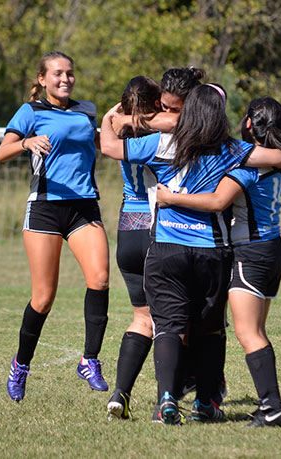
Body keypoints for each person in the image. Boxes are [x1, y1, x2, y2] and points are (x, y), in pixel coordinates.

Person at [100, 84, 281, 425]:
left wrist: (111, 117)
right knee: (211, 329)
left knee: (168, 326)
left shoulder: (162, 143)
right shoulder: (229, 149)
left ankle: (167, 401)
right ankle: (206, 402)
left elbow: (110, 146)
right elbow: (277, 158)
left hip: (167, 249)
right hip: (212, 252)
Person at [156, 96, 281, 426]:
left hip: (250, 254)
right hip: (272, 251)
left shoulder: (246, 167)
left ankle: (272, 407)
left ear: (250, 124)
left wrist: (170, 198)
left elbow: (216, 201)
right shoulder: (274, 162)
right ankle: (269, 403)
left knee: (247, 333)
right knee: (257, 331)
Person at [0, 51, 110, 402]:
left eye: (70, 73)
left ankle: (89, 360)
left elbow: (106, 139)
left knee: (100, 279)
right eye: (58, 74)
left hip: (83, 207)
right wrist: (26, 142)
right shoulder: (31, 111)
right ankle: (21, 365)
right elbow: (2, 152)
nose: (65, 79)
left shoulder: (87, 109)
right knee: (43, 298)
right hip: (45, 209)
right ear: (42, 79)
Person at [106, 76, 162, 420]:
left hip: (129, 224)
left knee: (142, 318)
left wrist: (113, 117)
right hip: (160, 224)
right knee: (171, 320)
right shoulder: (164, 136)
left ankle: (120, 392)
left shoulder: (117, 130)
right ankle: (167, 397)